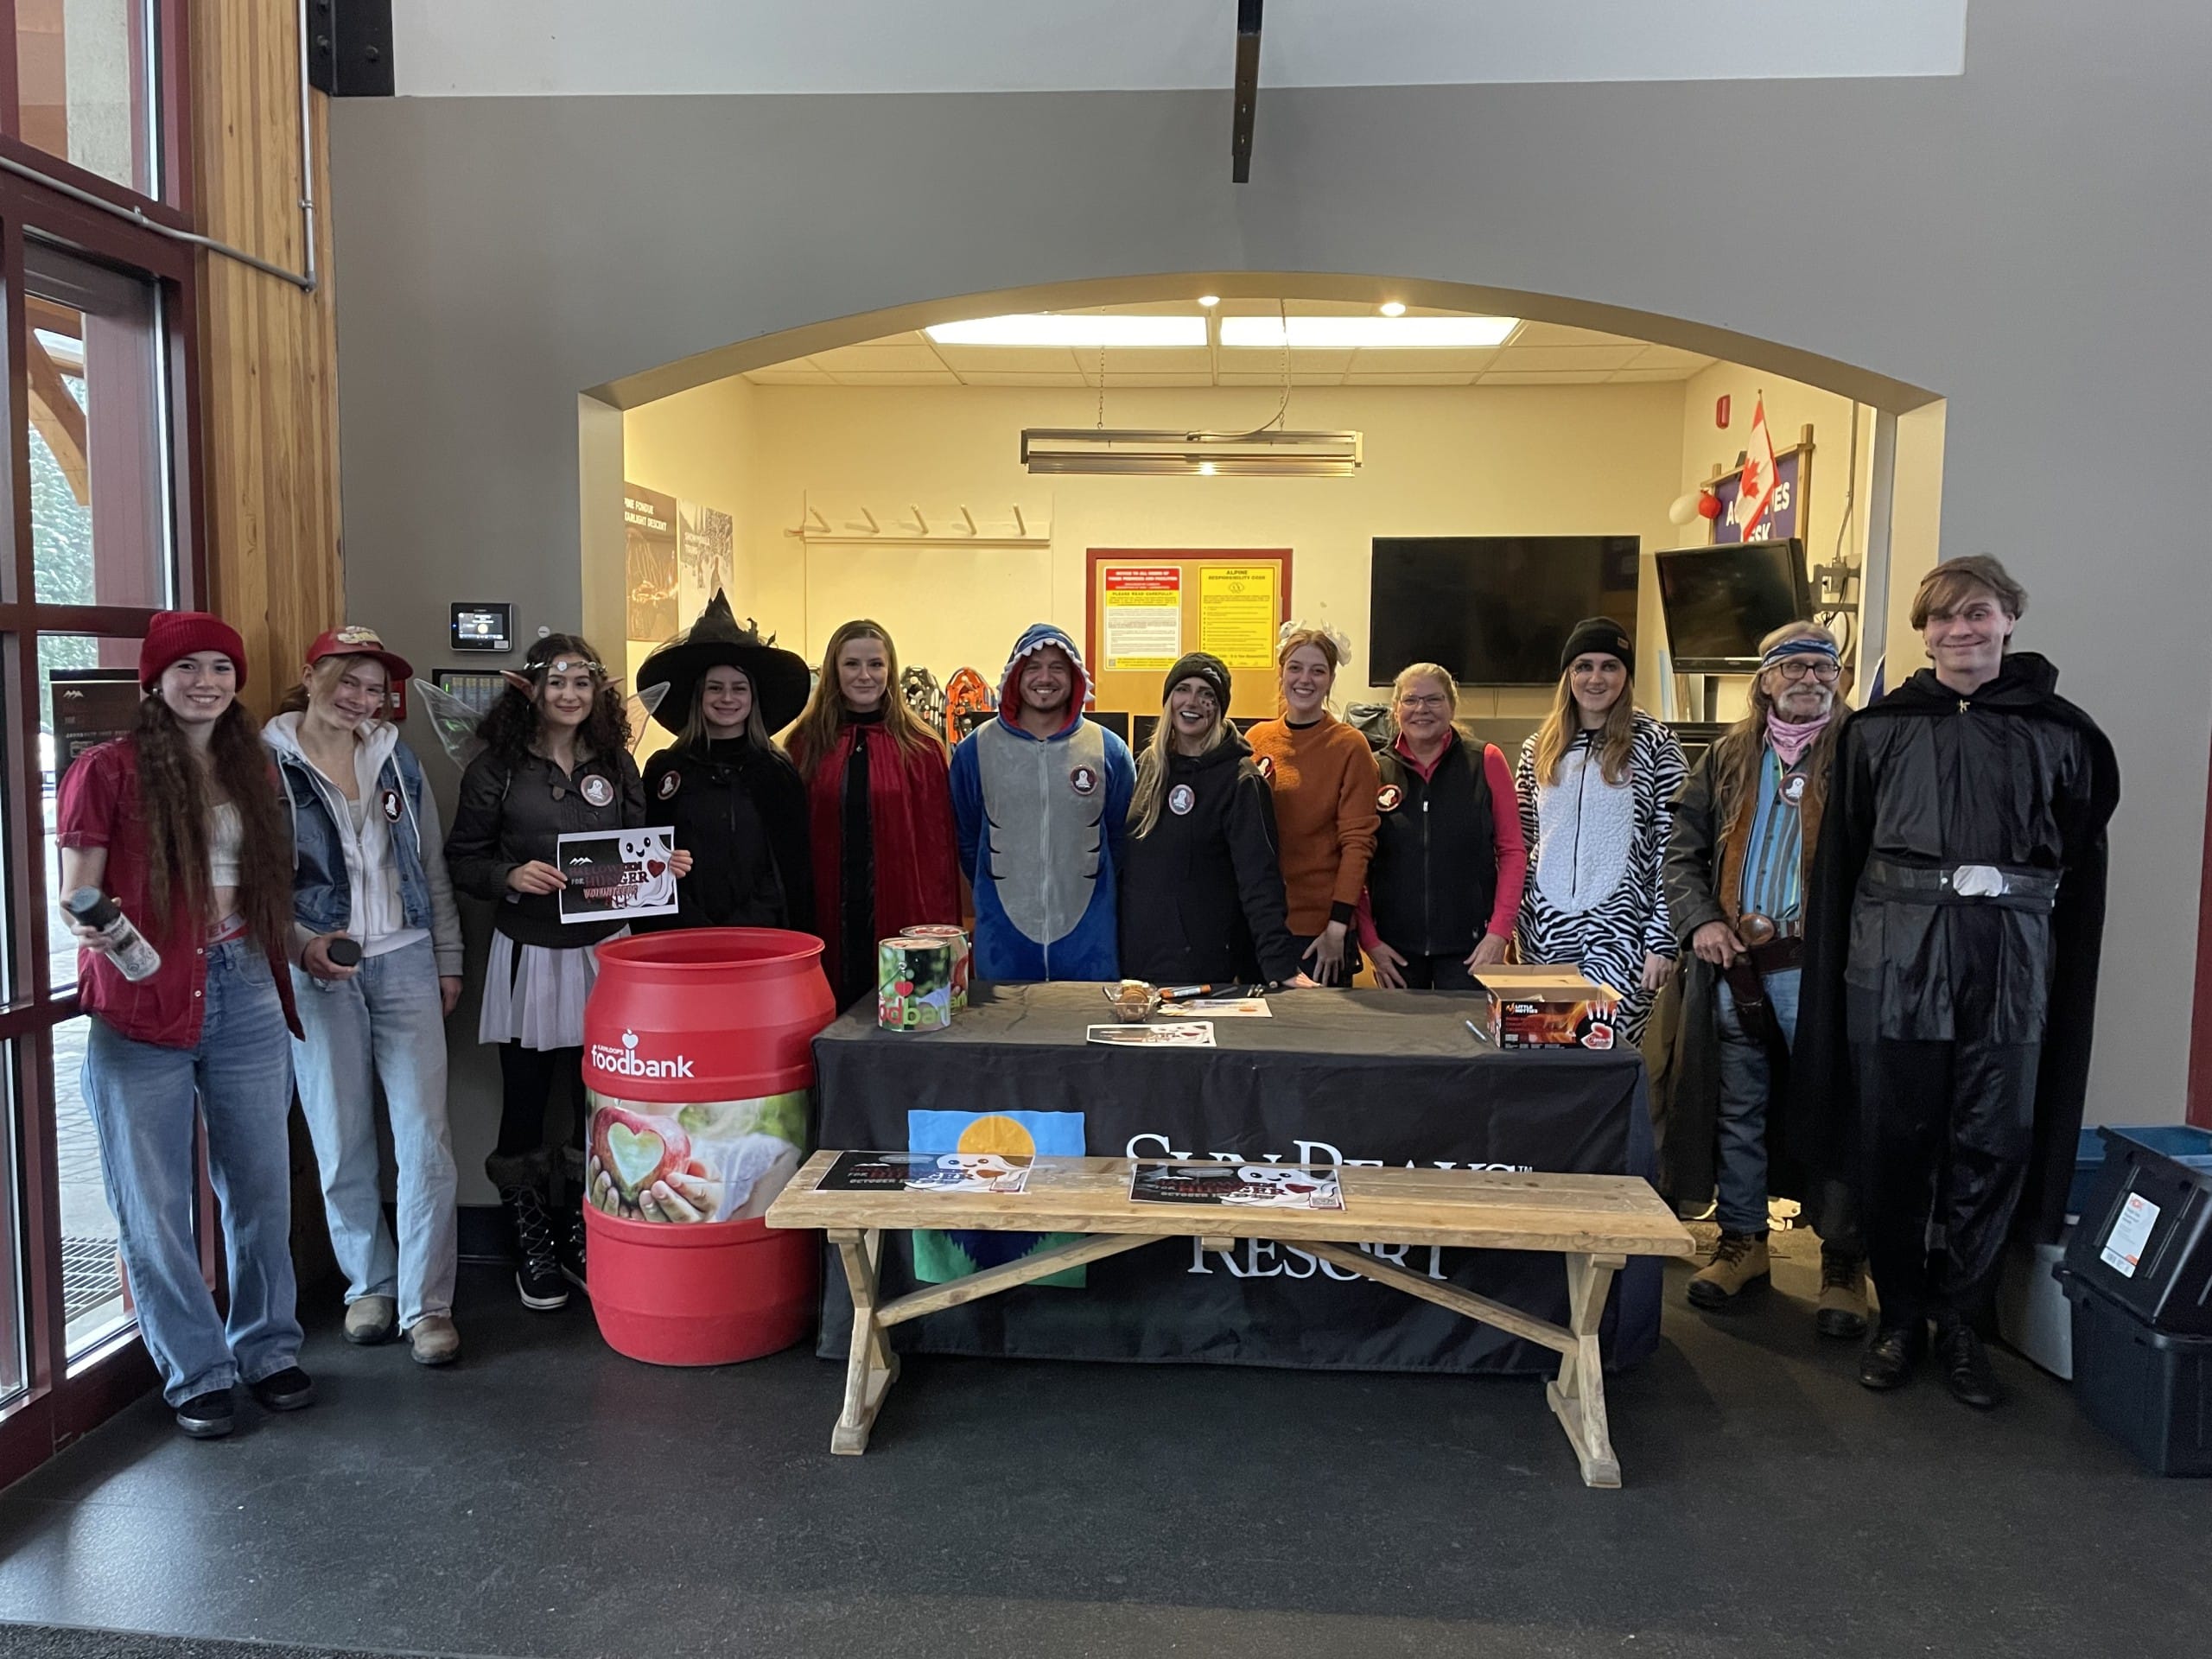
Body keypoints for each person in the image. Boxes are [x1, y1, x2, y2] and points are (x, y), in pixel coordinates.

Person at [1798, 556, 2117, 1408]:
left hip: (2008, 970)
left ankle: (1965, 1320)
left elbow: (2077, 864)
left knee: (1990, 1143)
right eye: (1941, 619)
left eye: (1975, 614)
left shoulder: (2064, 736)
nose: (1959, 631)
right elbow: (1843, 860)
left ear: (2009, 618)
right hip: (1892, 967)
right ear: (1924, 632)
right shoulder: (1874, 732)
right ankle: (1899, 1315)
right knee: (1892, 1143)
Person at [58, 612, 313, 1440]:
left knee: (262, 1190)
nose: (206, 681)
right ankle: (197, 1371)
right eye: (187, 668)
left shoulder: (258, 769)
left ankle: (268, 1349)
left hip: (244, 990)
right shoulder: (107, 770)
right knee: (155, 1203)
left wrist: (306, 946)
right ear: (153, 682)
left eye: (220, 668)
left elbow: (265, 888)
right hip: (141, 1002)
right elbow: (77, 890)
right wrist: (95, 922)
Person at [444, 632, 690, 1311]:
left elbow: (637, 849)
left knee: (599, 1098)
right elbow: (462, 859)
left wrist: (661, 868)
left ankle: (589, 1228)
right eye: (557, 682)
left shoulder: (616, 762)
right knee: (527, 1097)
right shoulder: (495, 768)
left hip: (604, 951)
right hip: (529, 951)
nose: (571, 695)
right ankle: (533, 1241)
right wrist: (508, 874)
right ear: (530, 689)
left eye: (583, 682)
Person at [1656, 623, 1868, 1333]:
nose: (1811, 679)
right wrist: (1701, 923)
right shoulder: (1725, 757)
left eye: (1824, 668)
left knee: (1834, 1106)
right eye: (1795, 668)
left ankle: (1842, 1259)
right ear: (1766, 680)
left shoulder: (1862, 752)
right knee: (1736, 1109)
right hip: (1734, 966)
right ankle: (1744, 1241)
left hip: (1822, 967)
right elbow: (1680, 854)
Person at [266, 626, 466, 1366]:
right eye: (347, 680)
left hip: (406, 960)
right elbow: (254, 881)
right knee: (340, 1133)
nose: (360, 698)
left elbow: (429, 864)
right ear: (311, 673)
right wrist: (297, 944)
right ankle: (367, 1286)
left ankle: (427, 1303)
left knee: (424, 1136)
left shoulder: (396, 758)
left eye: (374, 688)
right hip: (319, 969)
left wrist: (446, 956)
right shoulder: (266, 766)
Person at [1516, 617, 1685, 1044]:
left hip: (1623, 934)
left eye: (1610, 666)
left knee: (1604, 1055)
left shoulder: (1656, 745)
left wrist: (1662, 940)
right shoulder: (1539, 748)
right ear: (1568, 674)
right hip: (1546, 934)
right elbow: (1522, 843)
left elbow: (1676, 848)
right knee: (1547, 1055)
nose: (1596, 678)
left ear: (1625, 675)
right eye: (1583, 666)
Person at [785, 619, 961, 1008]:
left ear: (890, 671)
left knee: (905, 1022)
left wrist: (935, 938)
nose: (865, 676)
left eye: (876, 665)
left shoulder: (921, 748)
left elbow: (937, 854)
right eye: (851, 664)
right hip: (826, 914)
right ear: (834, 669)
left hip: (900, 909)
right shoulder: (806, 743)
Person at [1117, 652, 1315, 988]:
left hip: (1203, 968)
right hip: (1138, 960)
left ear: (1220, 709)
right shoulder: (1152, 767)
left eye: (1207, 694)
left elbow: (1260, 881)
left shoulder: (1241, 781)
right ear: (1169, 700)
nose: (1192, 701)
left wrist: (1280, 965)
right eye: (1183, 689)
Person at [950, 623, 1135, 981]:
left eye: (1057, 667)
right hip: (1003, 942)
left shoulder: (1108, 750)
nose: (1044, 678)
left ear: (1074, 676)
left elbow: (1121, 838)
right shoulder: (977, 750)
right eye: (1033, 667)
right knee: (1003, 1034)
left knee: (1084, 1031)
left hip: (1089, 943)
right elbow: (968, 838)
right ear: (1016, 675)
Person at [635, 592, 815, 933]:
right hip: (680, 937)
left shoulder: (776, 773)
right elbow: (650, 858)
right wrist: (691, 923)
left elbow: (789, 869)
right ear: (699, 696)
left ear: (753, 698)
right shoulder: (667, 771)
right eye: (715, 688)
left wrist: (743, 926)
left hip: (761, 938)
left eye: (739, 688)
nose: (727, 698)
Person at [1360, 664, 1528, 990]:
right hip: (1396, 953)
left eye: (1434, 699)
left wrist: (1499, 934)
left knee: (1469, 1042)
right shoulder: (1373, 769)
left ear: (1451, 706)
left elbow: (1513, 852)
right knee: (1404, 1043)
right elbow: (1356, 860)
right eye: (1411, 700)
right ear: (1396, 710)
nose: (1422, 709)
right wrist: (1371, 942)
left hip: (1473, 951)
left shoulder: (1486, 761)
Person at [1245, 626, 1380, 985]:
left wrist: (1338, 925)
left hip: (1319, 933)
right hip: (1260, 925)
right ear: (1281, 671)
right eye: (1295, 667)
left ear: (1331, 678)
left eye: (1318, 670)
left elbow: (1358, 844)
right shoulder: (1256, 739)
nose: (1305, 679)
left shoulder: (1350, 747)